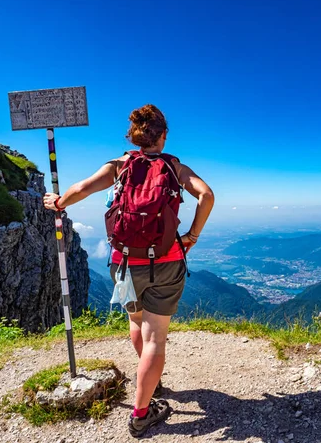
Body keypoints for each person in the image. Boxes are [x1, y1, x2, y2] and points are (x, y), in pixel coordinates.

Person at [43, 104, 214, 437]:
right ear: (162, 135)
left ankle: (151, 384)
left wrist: (58, 203)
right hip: (165, 263)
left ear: (134, 136)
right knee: (156, 339)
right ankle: (140, 414)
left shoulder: (119, 165)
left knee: (136, 323)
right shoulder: (174, 167)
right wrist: (192, 235)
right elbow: (206, 195)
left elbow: (81, 189)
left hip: (123, 263)